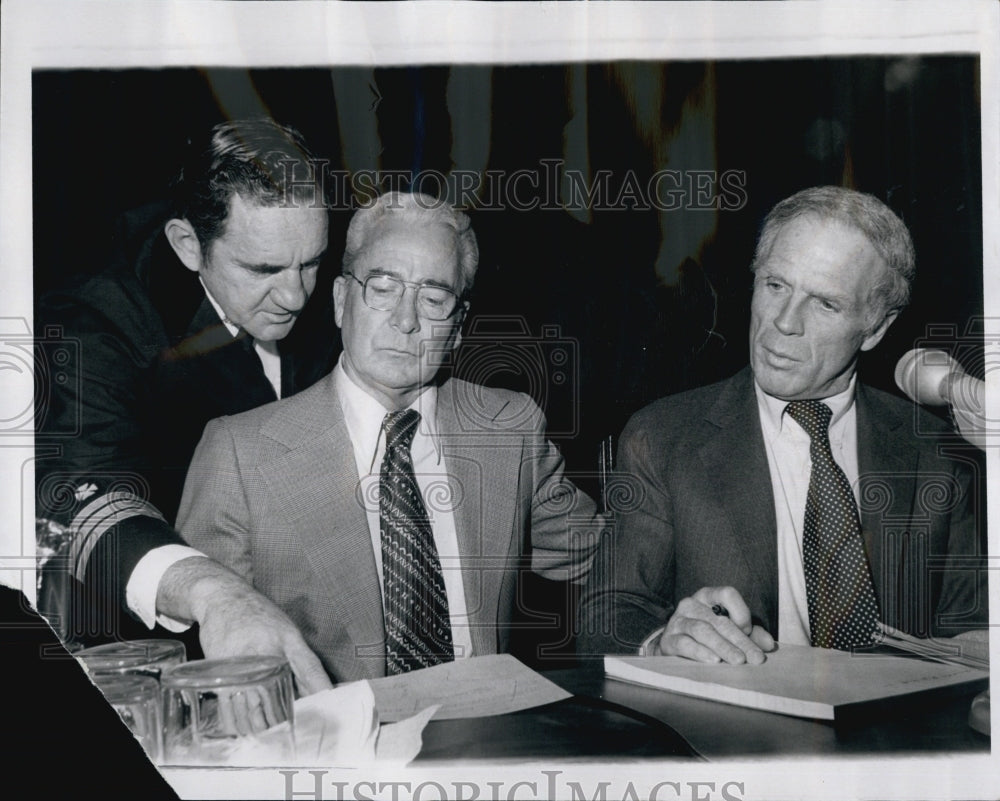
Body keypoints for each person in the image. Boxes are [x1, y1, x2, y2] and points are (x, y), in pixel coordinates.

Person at [177, 191, 603, 681]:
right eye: (383, 287)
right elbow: (206, 651)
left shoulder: (508, 426)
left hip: (486, 735)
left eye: (435, 297)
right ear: (341, 302)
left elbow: (606, 559)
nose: (406, 321)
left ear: (459, 327)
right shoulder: (238, 453)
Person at [577, 185, 987, 665]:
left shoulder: (933, 452)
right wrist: (662, 642)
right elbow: (606, 616)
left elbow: (971, 630)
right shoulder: (662, 438)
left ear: (876, 328)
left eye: (824, 304)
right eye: (775, 285)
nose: (784, 322)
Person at [35, 118, 338, 693]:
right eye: (264, 269)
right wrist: (212, 592)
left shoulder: (297, 266)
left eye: (312, 262)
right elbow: (80, 495)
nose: (297, 295)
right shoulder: (96, 321)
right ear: (186, 245)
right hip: (151, 659)